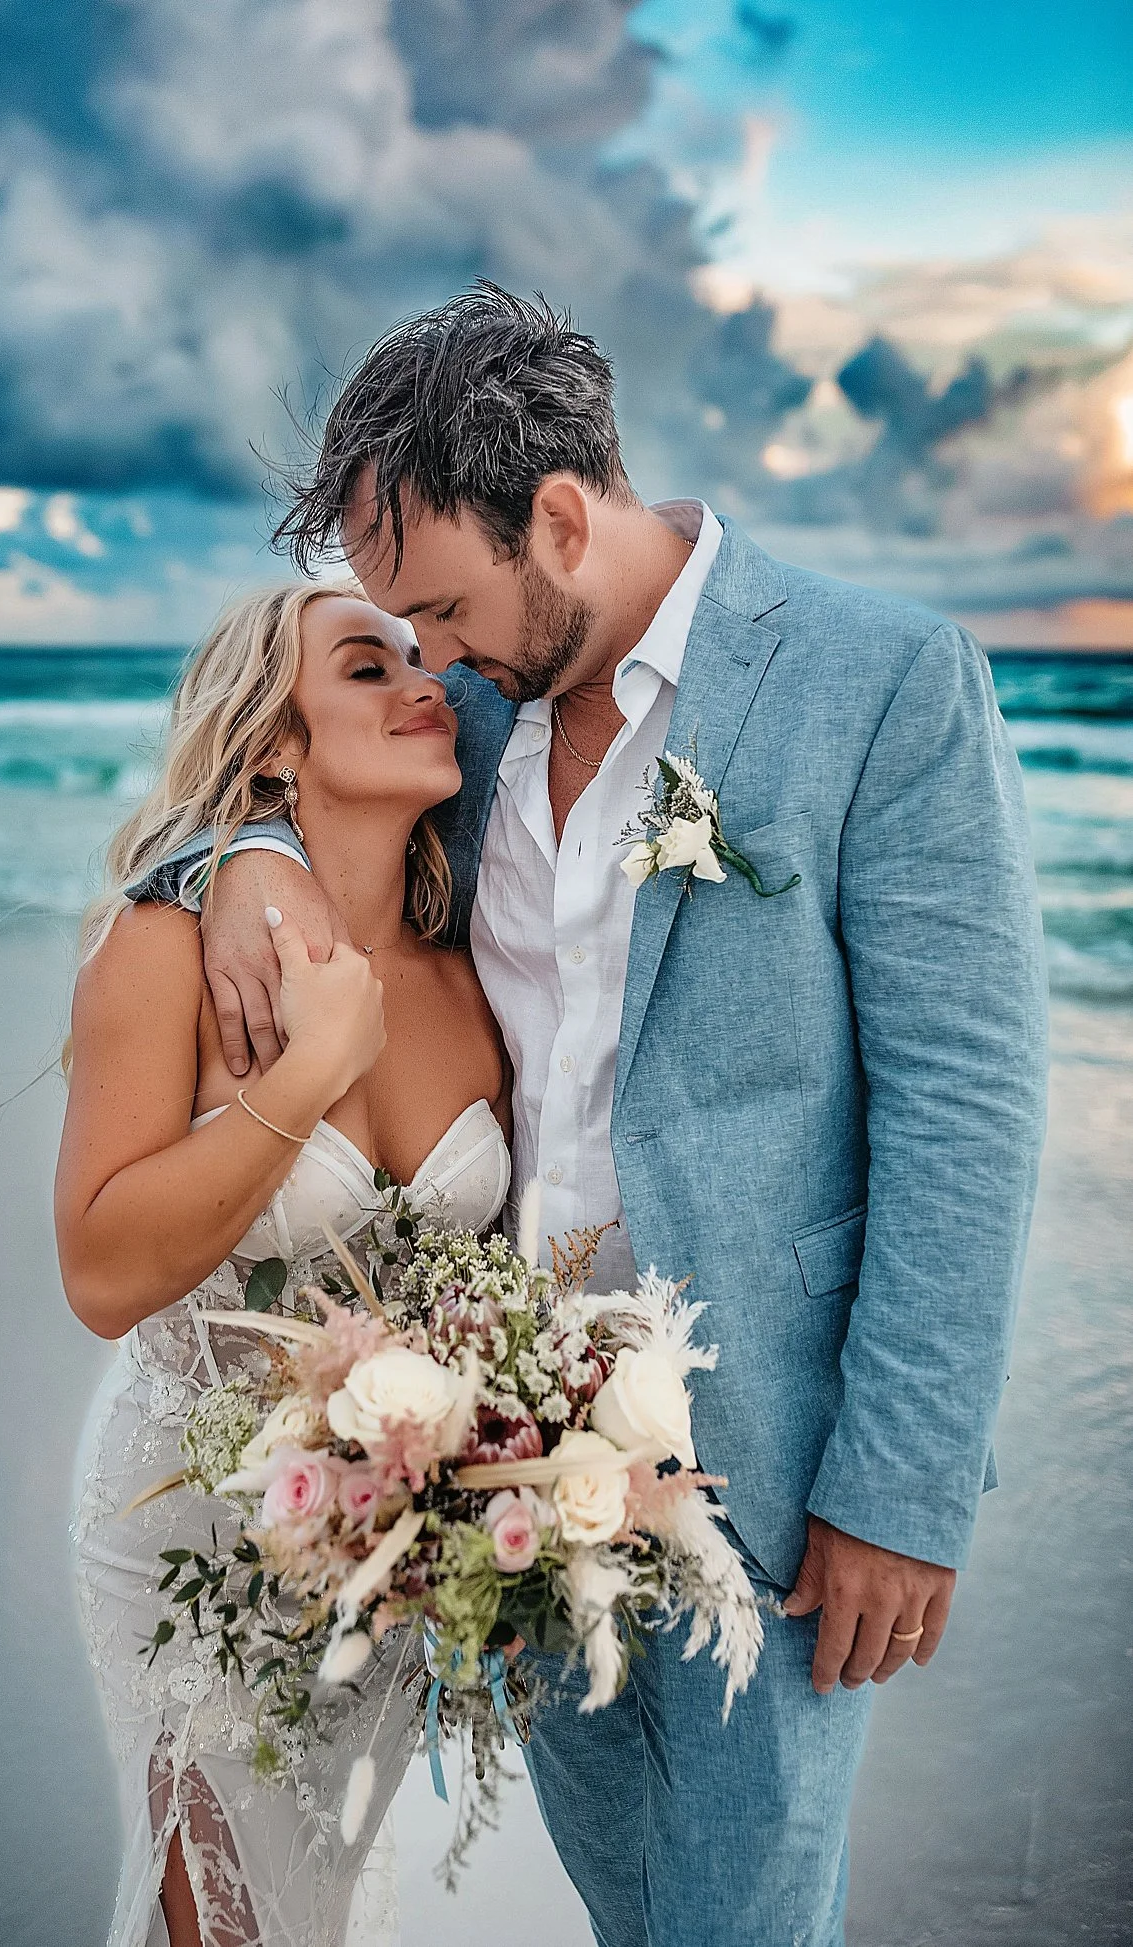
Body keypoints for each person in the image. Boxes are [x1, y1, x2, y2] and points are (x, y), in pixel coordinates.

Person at [135, 287, 1051, 1947]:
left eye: (442, 606)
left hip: (771, 1469)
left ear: (561, 513)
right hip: (502, 1461)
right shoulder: (469, 719)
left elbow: (966, 1108)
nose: (429, 655)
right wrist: (238, 868)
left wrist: (900, 1491)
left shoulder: (882, 681)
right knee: (629, 1910)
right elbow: (274, 796)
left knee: (743, 1924)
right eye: (398, 628)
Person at [56, 582, 511, 1947]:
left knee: (347, 1902)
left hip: (385, 1542)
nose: (423, 684)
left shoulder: (476, 966)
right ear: (272, 743)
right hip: (181, 1517)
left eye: (425, 660)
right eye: (367, 668)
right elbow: (99, 1272)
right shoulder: (166, 945)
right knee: (225, 1914)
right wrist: (308, 1072)